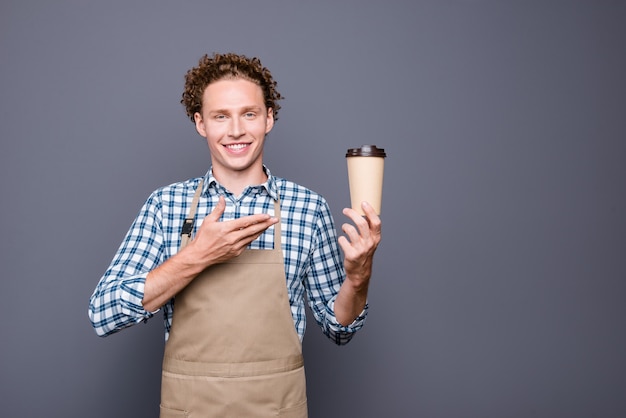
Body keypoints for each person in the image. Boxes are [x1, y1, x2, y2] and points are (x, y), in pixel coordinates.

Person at [88, 52, 382, 417]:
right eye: (220, 116)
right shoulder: (167, 205)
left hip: (278, 407)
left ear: (269, 118)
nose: (236, 130)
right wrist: (198, 255)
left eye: (249, 114)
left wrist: (359, 277)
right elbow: (104, 312)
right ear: (200, 123)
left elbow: (340, 329)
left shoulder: (307, 208)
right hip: (190, 408)